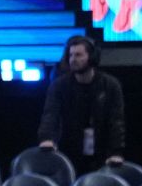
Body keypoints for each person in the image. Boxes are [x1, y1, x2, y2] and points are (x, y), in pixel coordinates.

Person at [37, 36, 126, 175]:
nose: (73, 59)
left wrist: (116, 152)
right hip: (69, 148)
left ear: (92, 57)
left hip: (100, 150)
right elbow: (50, 114)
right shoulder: (59, 85)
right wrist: (47, 138)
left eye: (78, 55)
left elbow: (116, 121)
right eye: (71, 55)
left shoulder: (110, 85)